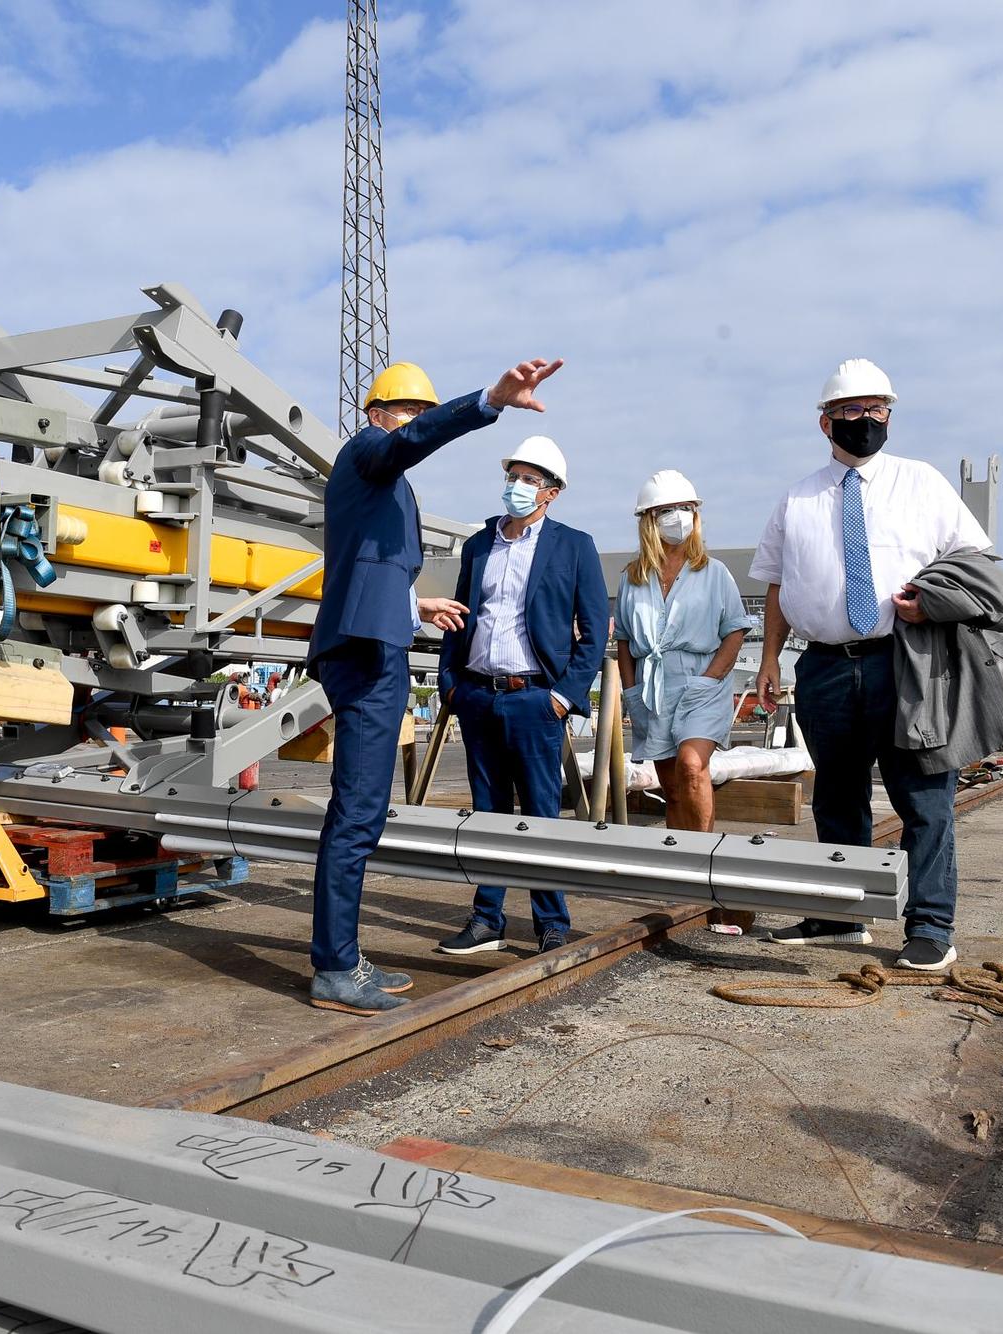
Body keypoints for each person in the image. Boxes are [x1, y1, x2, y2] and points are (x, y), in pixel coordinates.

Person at [307, 356, 563, 1015]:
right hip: (365, 652)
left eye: (422, 413)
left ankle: (344, 957)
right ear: (376, 415)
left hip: (373, 637)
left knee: (360, 812)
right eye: (408, 412)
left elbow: (365, 564)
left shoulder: (377, 480)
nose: (416, 424)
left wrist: (414, 607)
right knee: (358, 814)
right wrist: (489, 400)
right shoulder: (369, 451)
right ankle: (334, 969)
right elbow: (410, 444)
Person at [751, 359, 991, 970]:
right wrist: (769, 660)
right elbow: (777, 586)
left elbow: (973, 563)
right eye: (852, 411)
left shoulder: (922, 484)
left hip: (906, 662)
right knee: (836, 795)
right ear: (825, 421)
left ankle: (931, 926)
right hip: (826, 667)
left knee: (922, 794)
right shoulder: (797, 498)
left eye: (877, 409)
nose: (866, 420)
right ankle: (841, 914)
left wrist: (932, 603)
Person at [432, 435, 608, 957]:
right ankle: (488, 918)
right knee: (487, 812)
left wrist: (562, 697)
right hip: (480, 697)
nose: (517, 486)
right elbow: (459, 617)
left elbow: (595, 632)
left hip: (535, 699)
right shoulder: (480, 544)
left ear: (551, 493)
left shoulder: (573, 546)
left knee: (539, 813)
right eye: (514, 476)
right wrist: (451, 685)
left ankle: (551, 922)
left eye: (530, 480)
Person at [614, 470, 754, 832]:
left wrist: (710, 680)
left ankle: (706, 857)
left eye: (686, 507)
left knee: (692, 766)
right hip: (652, 690)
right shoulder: (632, 578)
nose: (679, 516)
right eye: (668, 509)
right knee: (673, 788)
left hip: (702, 683)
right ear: (649, 520)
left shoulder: (715, 572)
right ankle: (680, 870)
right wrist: (631, 692)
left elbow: (735, 629)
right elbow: (625, 640)